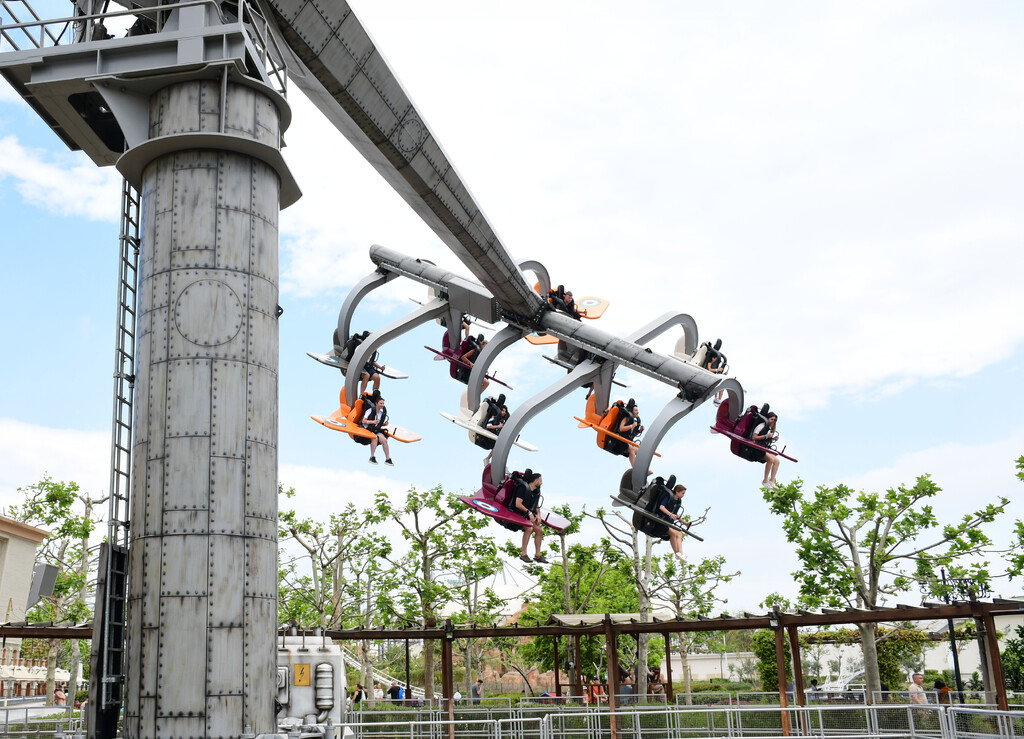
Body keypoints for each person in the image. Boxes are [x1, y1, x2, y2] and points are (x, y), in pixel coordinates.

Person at [509, 469, 548, 563]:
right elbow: (518, 504)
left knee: (539, 530)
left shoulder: (536, 492)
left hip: (526, 516)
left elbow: (536, 505)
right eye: (540, 481)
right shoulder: (523, 488)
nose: (541, 483)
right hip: (516, 514)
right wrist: (529, 513)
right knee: (529, 528)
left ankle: (538, 555)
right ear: (536, 481)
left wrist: (538, 515)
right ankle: (523, 554)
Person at [652, 484, 689, 560]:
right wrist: (670, 514)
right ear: (677, 491)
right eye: (682, 493)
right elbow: (661, 507)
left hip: (666, 522)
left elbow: (675, 514)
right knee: (673, 533)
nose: (683, 495)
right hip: (659, 521)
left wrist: (685, 522)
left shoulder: (677, 501)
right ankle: (677, 553)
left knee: (679, 534)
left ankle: (680, 553)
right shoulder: (669, 497)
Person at [604, 399, 643, 467]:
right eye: (636, 411)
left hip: (625, 441)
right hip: (618, 441)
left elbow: (631, 434)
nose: (638, 412)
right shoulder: (626, 418)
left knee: (640, 450)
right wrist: (632, 426)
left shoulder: (633, 420)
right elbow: (621, 429)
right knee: (631, 449)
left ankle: (641, 467)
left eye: (637, 410)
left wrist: (639, 431)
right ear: (632, 411)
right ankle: (635, 468)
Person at [751, 411, 780, 490]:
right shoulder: (762, 425)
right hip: (756, 447)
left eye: (774, 420)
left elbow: (766, 439)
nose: (773, 421)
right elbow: (754, 437)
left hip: (763, 447)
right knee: (770, 459)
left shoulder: (769, 429)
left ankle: (772, 481)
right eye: (771, 419)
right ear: (767, 418)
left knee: (777, 461)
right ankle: (765, 480)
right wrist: (766, 436)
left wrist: (772, 438)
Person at [361, 395, 394, 466]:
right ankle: (372, 457)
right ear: (376, 403)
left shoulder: (381, 413)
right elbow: (363, 421)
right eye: (381, 403)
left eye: (383, 403)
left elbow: (378, 424)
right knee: (374, 438)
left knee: (384, 440)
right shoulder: (369, 411)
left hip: (375, 430)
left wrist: (384, 424)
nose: (382, 405)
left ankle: (388, 459)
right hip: (367, 429)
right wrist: (372, 422)